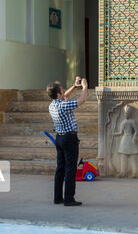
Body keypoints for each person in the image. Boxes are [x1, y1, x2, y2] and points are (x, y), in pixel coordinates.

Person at [47, 76, 88, 206]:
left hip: (59, 138)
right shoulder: (63, 105)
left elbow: (65, 96)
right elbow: (82, 100)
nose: (64, 92)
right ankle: (69, 199)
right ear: (58, 93)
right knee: (71, 169)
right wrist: (85, 87)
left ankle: (58, 198)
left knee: (60, 168)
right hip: (69, 139)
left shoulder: (52, 105)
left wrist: (75, 86)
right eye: (62, 90)